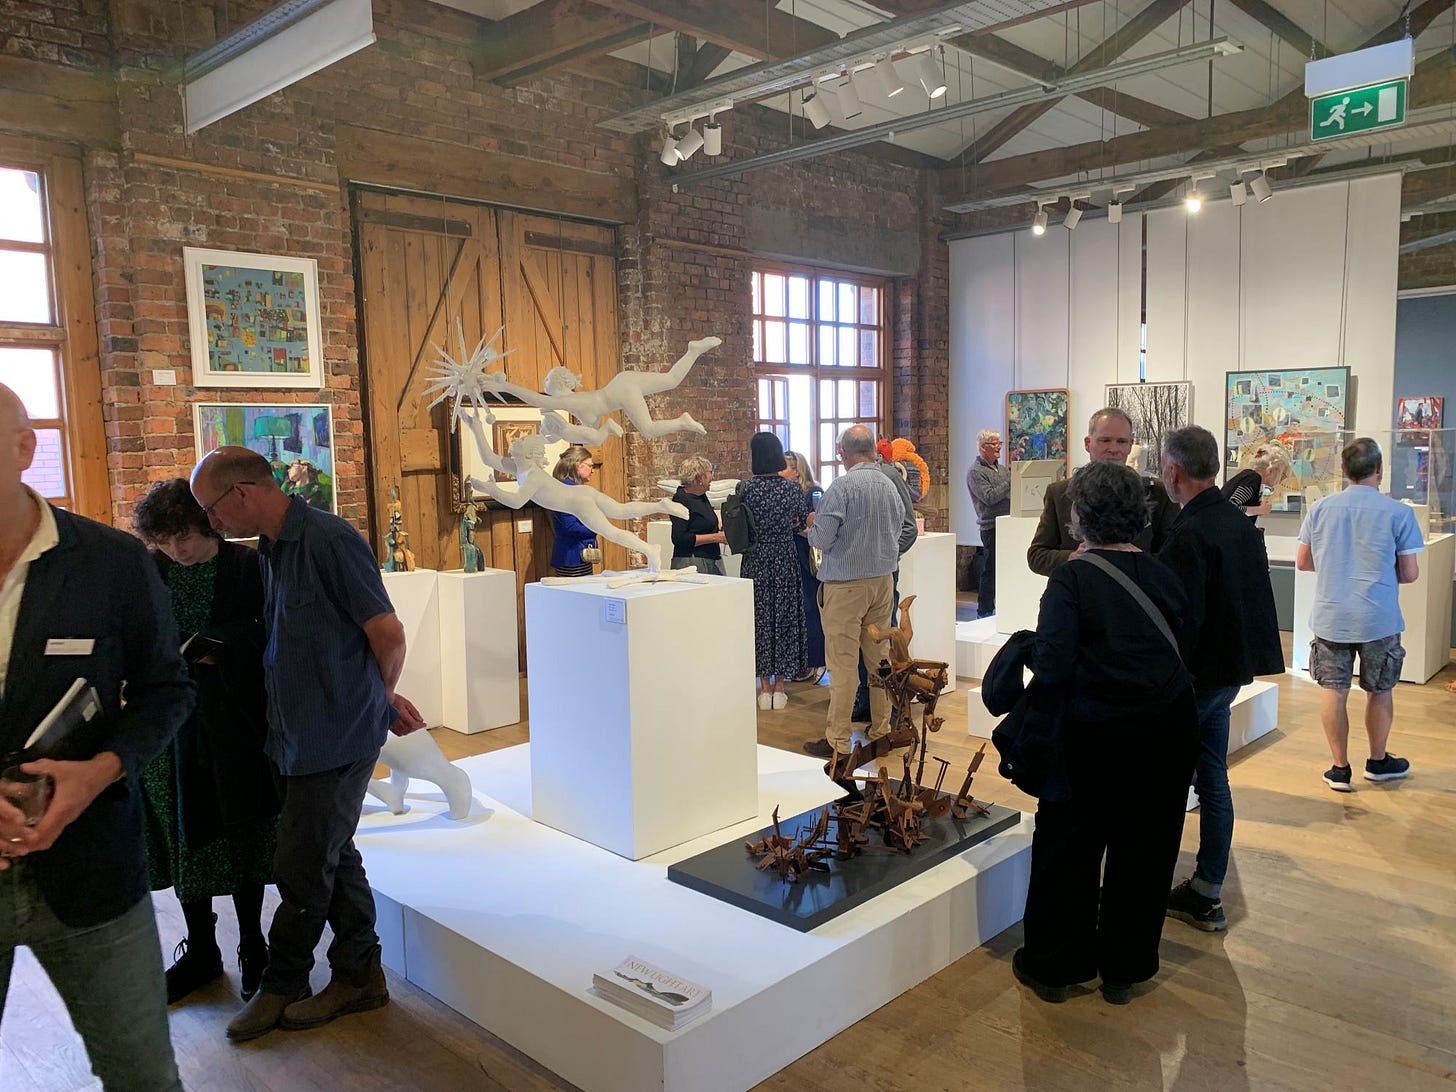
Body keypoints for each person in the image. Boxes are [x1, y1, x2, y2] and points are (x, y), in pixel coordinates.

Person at [190, 446, 426, 1042]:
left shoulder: (328, 539)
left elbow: (388, 634)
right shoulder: (272, 550)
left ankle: (283, 983)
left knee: (300, 866)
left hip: (335, 736)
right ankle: (360, 975)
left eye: (212, 510)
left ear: (241, 493)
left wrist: (377, 698)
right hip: (294, 734)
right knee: (333, 853)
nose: (211, 523)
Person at [0, 383, 195, 1089]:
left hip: (94, 871)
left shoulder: (109, 561)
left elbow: (166, 690)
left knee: (142, 1075)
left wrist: (102, 770)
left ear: (25, 448)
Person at [1014, 461, 1198, 1006]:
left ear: (1079, 515)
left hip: (1091, 733)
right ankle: (1125, 969)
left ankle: (1056, 967)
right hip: (1166, 731)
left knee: (1068, 847)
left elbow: (1053, 664)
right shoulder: (1162, 574)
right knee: (1146, 851)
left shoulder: (1073, 577)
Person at [131, 479, 280, 1004]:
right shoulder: (152, 569)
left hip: (231, 722)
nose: (177, 550)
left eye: (184, 538)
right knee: (181, 834)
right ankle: (200, 949)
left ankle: (253, 943)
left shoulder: (245, 566)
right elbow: (136, 633)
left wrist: (224, 646)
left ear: (208, 525)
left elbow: (269, 629)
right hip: (169, 728)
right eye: (165, 541)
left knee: (241, 830)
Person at [1156, 427, 1285, 933]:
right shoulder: (1235, 521)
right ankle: (1206, 889)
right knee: (1211, 776)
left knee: (1171, 779)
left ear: (1174, 471)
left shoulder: (1192, 531)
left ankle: (1153, 885)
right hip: (1228, 672)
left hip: (1197, 678)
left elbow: (1179, 615)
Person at [1296, 437, 1423, 792]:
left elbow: (1303, 562)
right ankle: (1378, 761)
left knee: (1334, 691)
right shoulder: (1399, 513)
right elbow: (1410, 573)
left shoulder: (1320, 509)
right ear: (1379, 470)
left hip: (1331, 616)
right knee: (1379, 690)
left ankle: (1339, 768)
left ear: (1343, 469)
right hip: (1378, 617)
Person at [461, 415, 684, 572]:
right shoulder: (521, 469)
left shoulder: (532, 476)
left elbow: (517, 501)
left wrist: (492, 489)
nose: (515, 441)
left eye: (521, 442)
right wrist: (475, 427)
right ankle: (659, 507)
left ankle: (649, 548)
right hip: (580, 495)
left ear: (528, 453)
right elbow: (489, 459)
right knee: (620, 510)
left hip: (578, 502)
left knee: (612, 531)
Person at [804, 426, 908, 759]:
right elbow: (902, 527)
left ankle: (838, 740)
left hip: (845, 585)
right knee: (879, 660)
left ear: (843, 452)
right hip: (882, 580)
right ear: (873, 450)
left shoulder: (842, 487)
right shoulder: (890, 484)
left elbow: (822, 539)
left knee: (843, 664)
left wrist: (812, 525)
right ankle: (882, 731)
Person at [1027, 408, 1179, 576]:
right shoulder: (1059, 493)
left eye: (1121, 441)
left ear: (1130, 445)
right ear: (1087, 443)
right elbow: (1036, 555)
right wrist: (1072, 557)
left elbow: (1173, 555)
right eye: (1105, 440)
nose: (1113, 449)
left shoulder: (1156, 493)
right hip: (1079, 588)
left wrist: (1134, 561)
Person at [847, 436, 918, 723]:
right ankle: (868, 702)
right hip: (858, 574)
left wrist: (885, 555)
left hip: (882, 573)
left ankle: (892, 706)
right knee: (863, 638)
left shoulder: (889, 476)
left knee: (883, 639)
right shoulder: (850, 481)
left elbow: (909, 527)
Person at [740, 433, 806, 709]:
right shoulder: (792, 490)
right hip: (784, 557)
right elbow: (801, 523)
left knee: (759, 620)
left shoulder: (745, 489)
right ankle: (780, 686)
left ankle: (764, 687)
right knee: (785, 618)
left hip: (755, 558)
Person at [783, 451, 825, 683]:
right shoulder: (787, 494)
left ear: (797, 470)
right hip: (792, 558)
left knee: (810, 609)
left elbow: (818, 526)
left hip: (807, 559)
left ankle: (816, 660)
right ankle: (801, 661)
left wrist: (795, 528)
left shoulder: (814, 492)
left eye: (785, 467)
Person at [967, 429, 1010, 617]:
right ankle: (984, 611)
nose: (999, 447)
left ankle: (1005, 608)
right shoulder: (975, 472)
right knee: (990, 570)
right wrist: (1009, 483)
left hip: (1008, 525)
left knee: (1006, 569)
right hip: (991, 526)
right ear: (983, 447)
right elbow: (989, 497)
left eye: (1000, 443)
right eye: (995, 443)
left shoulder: (1003, 470)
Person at [549, 445, 602, 577]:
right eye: (590, 466)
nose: (593, 470)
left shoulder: (568, 489)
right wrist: (597, 527)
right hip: (572, 556)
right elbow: (570, 526)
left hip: (575, 554)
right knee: (577, 589)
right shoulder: (568, 491)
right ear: (578, 466)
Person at [669, 455, 726, 575]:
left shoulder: (701, 497)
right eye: (710, 472)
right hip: (691, 562)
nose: (713, 477)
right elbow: (679, 538)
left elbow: (703, 525)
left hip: (710, 558)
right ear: (699, 477)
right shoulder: (681, 500)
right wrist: (716, 537)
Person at [1222, 446, 1291, 524]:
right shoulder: (1252, 479)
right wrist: (1260, 510)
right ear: (1270, 470)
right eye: (1282, 475)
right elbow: (1231, 508)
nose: (1280, 481)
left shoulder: (1249, 478)